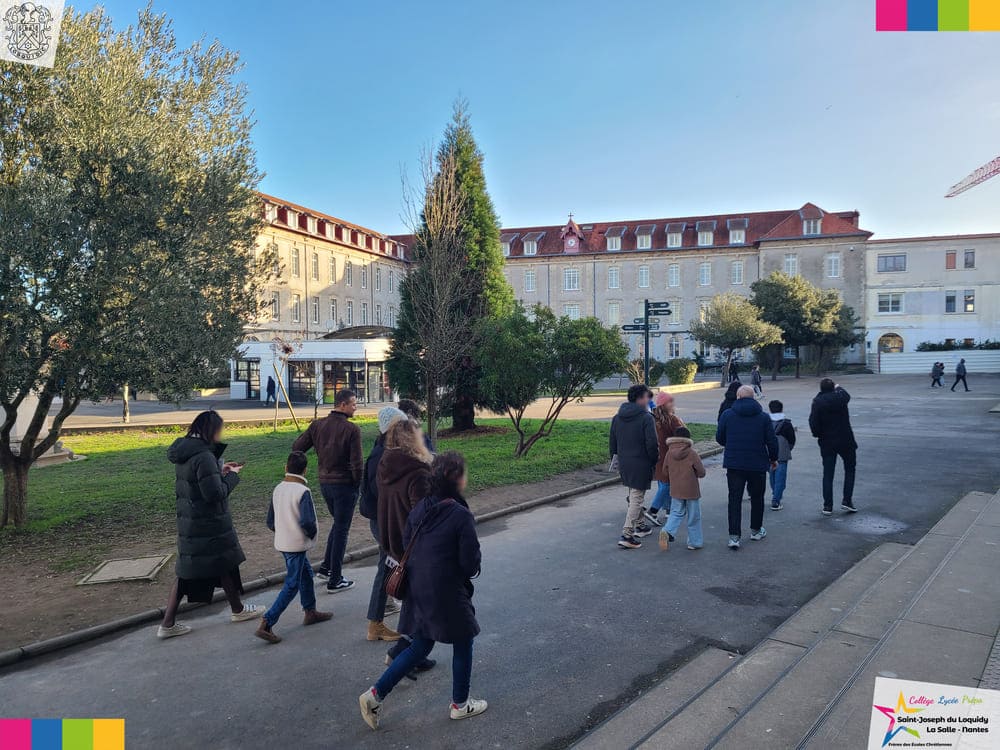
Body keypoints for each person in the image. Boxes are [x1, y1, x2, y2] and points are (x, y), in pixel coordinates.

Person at [359, 452, 486, 729]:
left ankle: (374, 694)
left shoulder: (420, 509)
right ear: (455, 479)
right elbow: (469, 563)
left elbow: (407, 543)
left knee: (420, 645)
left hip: (418, 587)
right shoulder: (460, 514)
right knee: (463, 640)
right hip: (447, 590)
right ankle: (460, 704)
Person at [158, 411, 261, 639]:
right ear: (211, 430)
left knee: (214, 566)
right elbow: (214, 494)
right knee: (207, 568)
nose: (221, 434)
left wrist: (219, 471)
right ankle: (168, 623)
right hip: (207, 524)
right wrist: (232, 476)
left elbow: (198, 482)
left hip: (192, 523)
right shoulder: (204, 456)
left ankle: (237, 609)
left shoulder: (186, 452)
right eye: (220, 429)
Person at [378, 418, 438, 674]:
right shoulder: (418, 473)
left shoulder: (385, 466)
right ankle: (402, 653)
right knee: (427, 606)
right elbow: (423, 517)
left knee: (415, 603)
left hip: (393, 543)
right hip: (414, 548)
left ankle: (409, 654)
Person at [255, 451, 333, 643]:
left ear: (285, 468)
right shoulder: (302, 491)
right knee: (292, 584)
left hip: (283, 542)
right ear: (305, 470)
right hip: (296, 544)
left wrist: (283, 531)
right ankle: (267, 621)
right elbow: (307, 522)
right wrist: (311, 534)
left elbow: (270, 521)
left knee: (306, 574)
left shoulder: (278, 489)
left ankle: (310, 610)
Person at [292, 388, 363, 593]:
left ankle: (326, 568)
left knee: (338, 525)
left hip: (325, 483)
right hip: (345, 485)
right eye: (353, 404)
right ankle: (335, 579)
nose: (355, 408)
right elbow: (357, 463)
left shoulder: (317, 425)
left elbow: (297, 447)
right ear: (342, 405)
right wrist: (358, 484)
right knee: (342, 529)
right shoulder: (351, 430)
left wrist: (318, 457)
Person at [359, 407, 408, 643]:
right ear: (391, 429)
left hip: (388, 520)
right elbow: (383, 494)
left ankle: (377, 621)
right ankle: (381, 624)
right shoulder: (380, 456)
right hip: (385, 522)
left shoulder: (386, 450)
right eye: (402, 426)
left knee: (390, 567)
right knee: (397, 566)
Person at [716, 385, 778, 550]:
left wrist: (731, 444)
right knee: (757, 498)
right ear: (753, 397)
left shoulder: (727, 415)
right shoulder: (764, 417)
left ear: (738, 397)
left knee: (734, 499)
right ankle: (756, 530)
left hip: (734, 464)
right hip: (757, 464)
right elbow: (771, 441)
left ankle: (734, 536)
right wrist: (773, 459)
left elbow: (720, 438)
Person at [610, 384, 659, 549]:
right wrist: (654, 460)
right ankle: (627, 534)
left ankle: (641, 525)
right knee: (637, 497)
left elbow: (613, 443)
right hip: (641, 462)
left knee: (633, 495)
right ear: (639, 399)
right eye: (646, 397)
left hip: (625, 462)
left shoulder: (617, 417)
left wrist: (616, 461)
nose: (649, 400)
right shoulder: (646, 418)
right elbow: (652, 443)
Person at [809, 378, 858, 515]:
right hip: (846, 439)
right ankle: (847, 500)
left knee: (828, 473)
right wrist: (838, 386)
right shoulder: (841, 398)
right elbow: (847, 395)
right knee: (850, 469)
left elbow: (813, 422)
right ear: (833, 388)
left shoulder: (817, 402)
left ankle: (828, 505)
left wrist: (818, 434)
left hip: (827, 441)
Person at [658, 427, 706, 551]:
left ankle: (667, 531)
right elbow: (701, 472)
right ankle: (694, 542)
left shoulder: (669, 453)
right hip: (691, 490)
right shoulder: (691, 453)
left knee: (675, 513)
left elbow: (664, 471)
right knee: (694, 516)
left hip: (676, 489)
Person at [646, 391, 685, 526]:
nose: (673, 403)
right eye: (670, 401)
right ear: (663, 404)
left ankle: (668, 509)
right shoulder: (672, 419)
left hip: (656, 454)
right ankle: (653, 510)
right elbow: (683, 435)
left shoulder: (652, 418)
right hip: (669, 456)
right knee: (667, 484)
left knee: (663, 482)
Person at [768, 400, 796, 511]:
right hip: (782, 453)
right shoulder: (786, 423)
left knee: (772, 475)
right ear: (781, 409)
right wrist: (788, 449)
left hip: (769, 453)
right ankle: (776, 500)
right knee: (781, 477)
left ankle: (775, 493)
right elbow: (792, 439)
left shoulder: (766, 422)